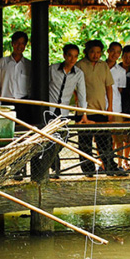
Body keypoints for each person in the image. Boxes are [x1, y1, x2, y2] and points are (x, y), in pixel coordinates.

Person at [76, 40, 126, 177]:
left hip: (100, 110)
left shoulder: (103, 66)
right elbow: (74, 88)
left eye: (98, 52)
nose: (95, 55)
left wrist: (109, 108)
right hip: (84, 111)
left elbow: (109, 87)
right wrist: (79, 107)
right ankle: (88, 170)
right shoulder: (79, 65)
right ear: (87, 52)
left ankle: (109, 167)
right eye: (92, 52)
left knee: (105, 141)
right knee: (85, 143)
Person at [47, 44, 89, 178]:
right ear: (64, 55)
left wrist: (84, 113)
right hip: (48, 109)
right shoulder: (52, 69)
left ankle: (54, 165)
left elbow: (82, 94)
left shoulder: (78, 74)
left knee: (63, 139)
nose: (72, 59)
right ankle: (54, 169)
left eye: (76, 56)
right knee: (49, 140)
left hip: (64, 112)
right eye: (70, 55)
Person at [0, 31, 32, 122]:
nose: (19, 46)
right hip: (5, 103)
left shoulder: (29, 64)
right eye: (17, 43)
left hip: (23, 104)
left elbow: (30, 86)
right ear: (12, 44)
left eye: (22, 44)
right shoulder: (2, 63)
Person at [106, 42, 128, 169]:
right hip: (101, 106)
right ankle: (104, 163)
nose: (115, 54)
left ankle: (119, 163)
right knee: (102, 138)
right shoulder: (100, 66)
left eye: (118, 52)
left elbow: (120, 89)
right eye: (113, 51)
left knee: (118, 137)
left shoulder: (121, 71)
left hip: (116, 107)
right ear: (108, 51)